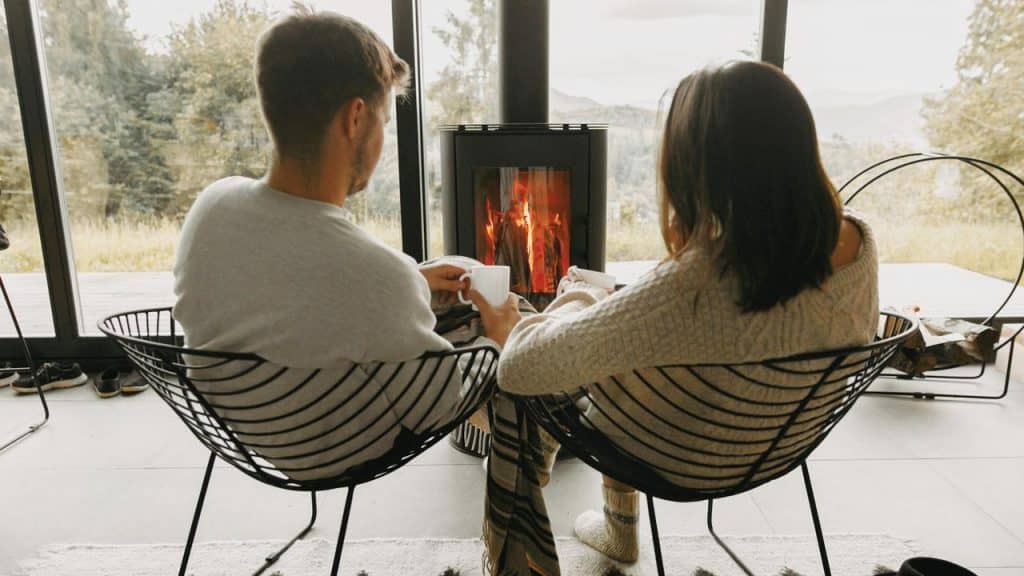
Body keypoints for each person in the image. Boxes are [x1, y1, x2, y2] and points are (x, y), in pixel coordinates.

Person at [473, 60, 879, 573]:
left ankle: (538, 550)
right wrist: (614, 306)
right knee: (623, 339)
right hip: (780, 438)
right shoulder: (859, 241)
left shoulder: (693, 284)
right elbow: (737, 321)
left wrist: (574, 299)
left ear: (696, 164)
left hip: (680, 452)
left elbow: (520, 368)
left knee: (535, 379)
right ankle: (618, 530)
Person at [173, 5, 508, 481]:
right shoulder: (372, 274)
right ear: (355, 117)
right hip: (332, 443)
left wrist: (411, 278)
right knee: (512, 331)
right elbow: (442, 405)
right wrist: (498, 341)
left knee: (449, 269)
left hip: (240, 426)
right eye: (385, 123)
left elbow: (289, 287)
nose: (382, 139)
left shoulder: (212, 203)